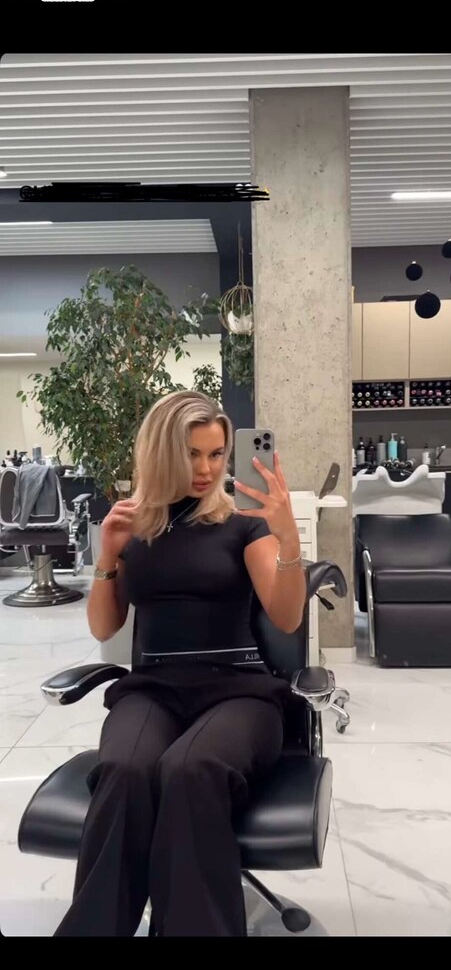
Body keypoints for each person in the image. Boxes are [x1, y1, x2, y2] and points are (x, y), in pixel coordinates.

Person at [54, 390, 306, 937]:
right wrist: (107, 554)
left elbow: (287, 618)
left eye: (216, 454)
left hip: (240, 691)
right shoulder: (133, 527)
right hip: (153, 689)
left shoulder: (244, 525)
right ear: (160, 451)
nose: (206, 469)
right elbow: (104, 627)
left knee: (190, 769)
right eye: (192, 454)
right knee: (125, 770)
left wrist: (287, 538)